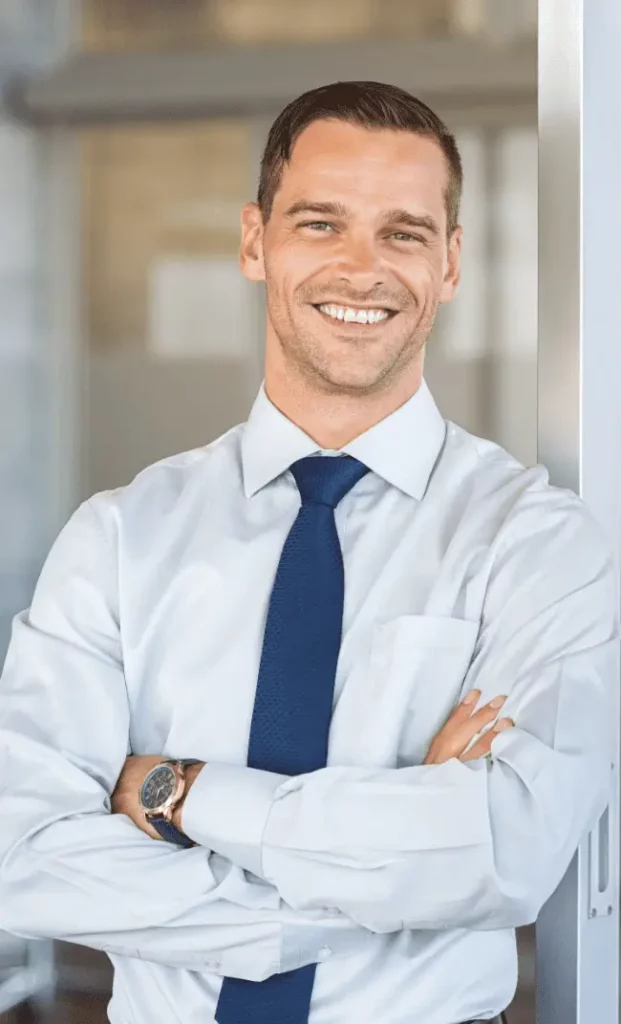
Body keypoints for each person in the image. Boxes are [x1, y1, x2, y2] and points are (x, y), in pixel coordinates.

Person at [0, 81, 616, 1024]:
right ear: (255, 242)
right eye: (320, 224)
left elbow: (503, 855)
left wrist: (179, 792)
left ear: (450, 263)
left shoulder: (533, 541)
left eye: (403, 233)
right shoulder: (122, 535)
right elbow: (23, 850)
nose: (361, 269)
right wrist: (385, 870)